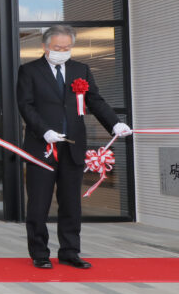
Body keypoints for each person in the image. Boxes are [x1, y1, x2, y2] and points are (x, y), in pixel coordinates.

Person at [17, 24, 132, 269]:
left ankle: (70, 251)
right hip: (43, 147)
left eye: (67, 47)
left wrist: (115, 124)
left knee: (71, 203)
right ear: (45, 46)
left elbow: (95, 101)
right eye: (58, 47)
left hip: (73, 147)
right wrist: (44, 131)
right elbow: (26, 105)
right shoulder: (29, 70)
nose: (63, 51)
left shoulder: (81, 69)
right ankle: (39, 253)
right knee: (38, 203)